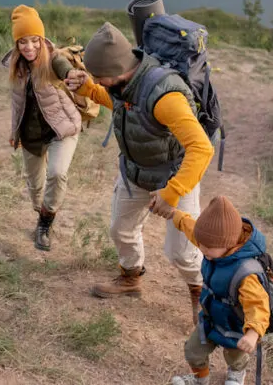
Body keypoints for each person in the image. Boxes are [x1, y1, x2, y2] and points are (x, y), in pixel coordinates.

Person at [64, 21, 214, 325]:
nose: (98, 82)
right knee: (120, 229)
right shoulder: (125, 81)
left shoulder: (165, 96)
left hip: (175, 177)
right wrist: (88, 88)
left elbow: (201, 148)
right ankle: (131, 278)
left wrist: (172, 193)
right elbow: (120, 104)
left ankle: (203, 298)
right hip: (136, 173)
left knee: (182, 253)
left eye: (99, 77)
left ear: (118, 71)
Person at [166, 195, 271, 385]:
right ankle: (201, 378)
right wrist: (175, 215)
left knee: (235, 355)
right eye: (201, 245)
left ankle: (236, 375)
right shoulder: (212, 244)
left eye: (207, 247)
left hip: (236, 324)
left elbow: (259, 306)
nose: (202, 249)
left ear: (228, 244)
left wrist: (253, 333)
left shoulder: (246, 273)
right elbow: (192, 229)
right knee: (193, 351)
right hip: (210, 317)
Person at [2, 5, 82, 251]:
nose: (30, 47)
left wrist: (72, 75)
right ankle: (41, 213)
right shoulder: (14, 66)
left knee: (57, 173)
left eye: (34, 40)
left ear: (41, 38)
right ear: (16, 44)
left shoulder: (53, 57)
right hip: (30, 134)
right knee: (35, 187)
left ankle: (45, 224)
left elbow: (64, 69)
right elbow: (17, 105)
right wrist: (15, 134)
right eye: (23, 42)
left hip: (61, 130)